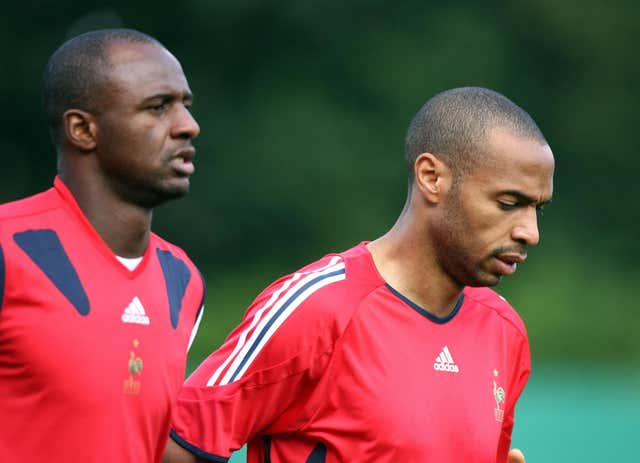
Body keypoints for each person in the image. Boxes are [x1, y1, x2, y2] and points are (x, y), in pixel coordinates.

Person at [164, 87, 554, 463]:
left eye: (538, 208)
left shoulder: (505, 331)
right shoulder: (318, 309)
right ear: (432, 177)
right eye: (508, 203)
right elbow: (177, 446)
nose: (530, 233)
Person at [0, 29, 205, 462]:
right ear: (82, 130)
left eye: (185, 105)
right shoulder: (7, 249)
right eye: (158, 107)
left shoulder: (183, 280)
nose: (188, 126)